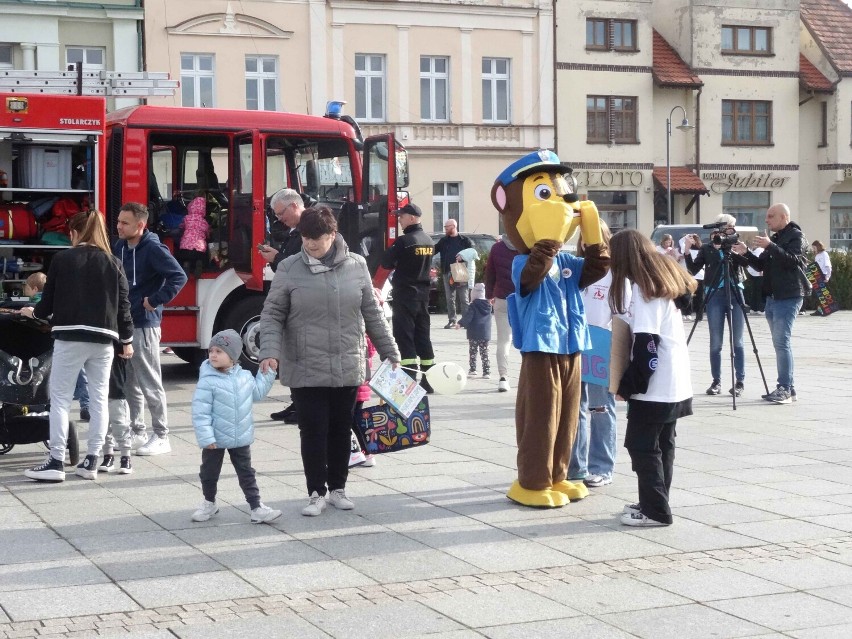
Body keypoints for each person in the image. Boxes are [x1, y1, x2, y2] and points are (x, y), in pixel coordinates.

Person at [258, 206, 400, 517]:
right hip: (305, 363)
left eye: (317, 239)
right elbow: (272, 313)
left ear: (333, 235)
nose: (310, 244)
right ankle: (315, 493)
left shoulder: (356, 265)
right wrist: (269, 350)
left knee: (340, 428)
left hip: (347, 361)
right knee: (313, 429)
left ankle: (338, 489)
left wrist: (390, 350)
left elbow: (371, 313)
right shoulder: (289, 268)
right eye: (306, 238)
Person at [22, 210, 134, 482]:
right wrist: (127, 340)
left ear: (74, 233)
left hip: (69, 337)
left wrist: (31, 313)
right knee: (98, 400)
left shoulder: (62, 259)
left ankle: (56, 461)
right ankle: (92, 460)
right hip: (104, 340)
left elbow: (46, 305)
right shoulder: (114, 262)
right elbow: (124, 306)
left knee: (60, 399)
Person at [608, 229, 696, 527]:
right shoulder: (660, 284)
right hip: (674, 381)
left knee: (642, 446)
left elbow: (647, 349)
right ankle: (655, 501)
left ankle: (655, 510)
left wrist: (628, 386)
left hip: (656, 385)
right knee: (662, 444)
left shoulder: (645, 292)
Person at [115, 202, 188, 455]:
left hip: (144, 325)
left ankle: (161, 435)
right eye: (118, 221)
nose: (119, 226)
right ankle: (138, 431)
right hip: (124, 324)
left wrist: (154, 300)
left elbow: (179, 276)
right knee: (129, 383)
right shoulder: (120, 247)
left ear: (140, 225)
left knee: (149, 381)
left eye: (125, 222)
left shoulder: (153, 248)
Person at [190, 329, 281, 524]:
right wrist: (206, 437)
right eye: (211, 351)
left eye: (219, 351)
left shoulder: (245, 376)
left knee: (246, 472)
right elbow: (200, 411)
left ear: (233, 356)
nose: (213, 355)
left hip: (240, 436)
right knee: (209, 472)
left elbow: (256, 394)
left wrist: (268, 373)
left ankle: (256, 507)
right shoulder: (207, 380)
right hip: (215, 439)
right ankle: (209, 502)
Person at [733, 203, 808, 404]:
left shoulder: (796, 236)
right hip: (773, 298)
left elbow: (794, 261)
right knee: (779, 343)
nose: (767, 220)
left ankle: (784, 388)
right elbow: (760, 265)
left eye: (771, 216)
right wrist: (745, 253)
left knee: (782, 341)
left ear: (784, 217)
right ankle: (788, 389)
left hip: (789, 295)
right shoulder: (775, 238)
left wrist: (771, 246)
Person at [569, 221, 618, 488]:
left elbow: (621, 313)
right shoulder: (575, 268)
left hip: (601, 343)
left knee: (600, 408)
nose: (588, 243)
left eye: (594, 237)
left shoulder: (614, 272)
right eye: (585, 238)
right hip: (576, 342)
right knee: (575, 408)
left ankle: (602, 466)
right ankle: (577, 466)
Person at [684, 214, 750, 398]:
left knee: (737, 341)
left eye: (731, 227)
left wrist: (741, 252)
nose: (729, 231)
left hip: (735, 292)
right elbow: (693, 270)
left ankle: (740, 381)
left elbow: (747, 263)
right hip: (714, 294)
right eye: (727, 227)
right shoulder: (707, 248)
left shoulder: (735, 245)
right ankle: (716, 381)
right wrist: (687, 251)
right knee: (716, 342)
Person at [376, 202, 436, 393]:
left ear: (411, 218)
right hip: (423, 296)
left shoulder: (404, 241)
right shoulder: (428, 240)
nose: (399, 219)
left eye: (401, 217)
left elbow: (386, 262)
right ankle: (429, 378)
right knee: (423, 336)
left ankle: (408, 377)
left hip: (405, 295)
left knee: (404, 336)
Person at [259, 188, 305, 423]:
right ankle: (296, 402)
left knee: (300, 356)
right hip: (292, 299)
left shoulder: (309, 231)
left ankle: (301, 406)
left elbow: (298, 268)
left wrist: (276, 259)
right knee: (291, 355)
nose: (279, 219)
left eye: (280, 213)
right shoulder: (295, 231)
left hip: (301, 303)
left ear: (294, 206)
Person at [485, 236, 519, 392]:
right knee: (528, 340)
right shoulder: (527, 244)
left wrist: (489, 294)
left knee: (503, 340)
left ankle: (503, 377)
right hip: (524, 299)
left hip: (502, 298)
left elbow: (490, 272)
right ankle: (529, 377)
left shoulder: (497, 248)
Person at [97, 344, 135, 475]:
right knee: (102, 427)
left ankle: (126, 458)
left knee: (121, 424)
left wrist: (127, 343)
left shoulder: (118, 344)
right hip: (99, 394)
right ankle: (108, 456)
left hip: (117, 392)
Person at [433, 218, 474, 328]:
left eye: (447, 227)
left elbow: (473, 253)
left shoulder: (465, 240)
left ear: (453, 227)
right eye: (445, 227)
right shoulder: (444, 241)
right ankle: (452, 320)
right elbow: (433, 251)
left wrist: (463, 257)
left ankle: (466, 321)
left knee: (463, 298)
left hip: (460, 269)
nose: (445, 229)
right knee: (450, 298)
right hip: (447, 271)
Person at [457, 283, 492, 378]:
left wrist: (460, 323)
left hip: (474, 333)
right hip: (485, 333)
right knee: (485, 353)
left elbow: (468, 317)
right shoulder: (489, 306)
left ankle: (473, 369)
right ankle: (486, 371)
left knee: (473, 352)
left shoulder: (473, 306)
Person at [177, 196, 210, 278]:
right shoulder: (204, 221)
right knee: (200, 257)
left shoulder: (187, 218)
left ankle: (186, 266)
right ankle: (199, 264)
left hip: (186, 245)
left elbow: (181, 226)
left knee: (185, 258)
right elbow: (207, 232)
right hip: (199, 247)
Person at [810, 240, 832, 317]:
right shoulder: (817, 255)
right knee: (818, 294)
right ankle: (819, 310)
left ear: (818, 247)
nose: (813, 249)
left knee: (823, 294)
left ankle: (825, 310)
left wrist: (828, 276)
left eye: (814, 247)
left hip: (823, 275)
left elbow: (828, 266)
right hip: (817, 275)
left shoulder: (824, 254)